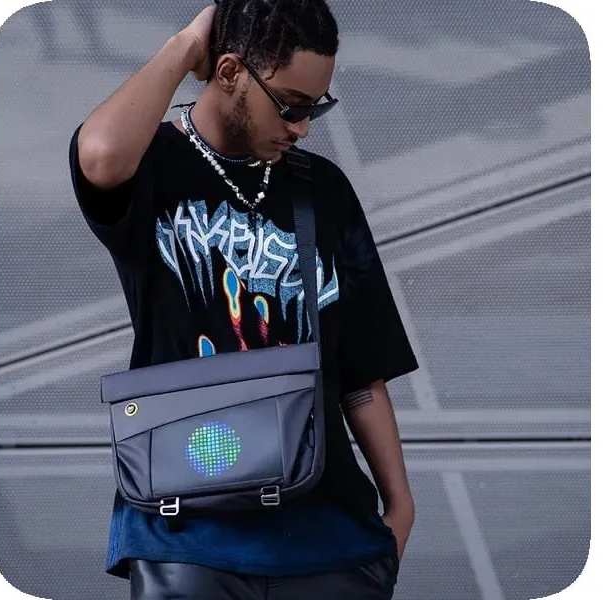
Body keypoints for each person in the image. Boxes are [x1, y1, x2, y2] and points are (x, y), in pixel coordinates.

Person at [68, 1, 419, 598]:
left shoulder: (323, 189)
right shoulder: (151, 166)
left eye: (316, 108)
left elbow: (361, 370)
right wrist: (188, 44)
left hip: (328, 538)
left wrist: (400, 507)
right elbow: (99, 155)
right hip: (184, 530)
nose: (302, 128)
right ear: (230, 72)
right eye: (291, 105)